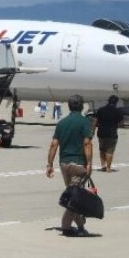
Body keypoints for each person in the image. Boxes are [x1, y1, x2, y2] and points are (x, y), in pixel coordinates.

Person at [45, 94, 93, 237]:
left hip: (64, 164)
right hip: (78, 163)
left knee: (74, 194)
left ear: (69, 106)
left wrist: (49, 164)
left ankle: (81, 226)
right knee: (74, 197)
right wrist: (89, 163)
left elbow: (54, 144)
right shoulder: (84, 122)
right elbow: (87, 143)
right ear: (82, 106)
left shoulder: (62, 123)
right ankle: (66, 227)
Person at [93, 95, 124, 172]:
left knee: (102, 150)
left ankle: (103, 166)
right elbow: (121, 122)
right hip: (112, 133)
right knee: (109, 151)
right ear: (116, 102)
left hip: (101, 133)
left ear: (108, 101)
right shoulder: (118, 111)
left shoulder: (101, 110)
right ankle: (108, 168)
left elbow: (95, 121)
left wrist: (93, 130)